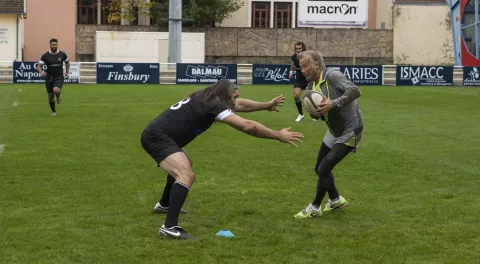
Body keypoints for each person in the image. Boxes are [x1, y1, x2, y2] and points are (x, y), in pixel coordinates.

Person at [141, 80, 304, 239]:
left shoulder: (209, 96)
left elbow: (239, 104)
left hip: (162, 135)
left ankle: (164, 205)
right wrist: (277, 135)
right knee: (185, 174)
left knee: (184, 165)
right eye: (233, 97)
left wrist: (266, 105)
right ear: (225, 95)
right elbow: (248, 126)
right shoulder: (214, 104)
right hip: (158, 137)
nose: (235, 101)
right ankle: (169, 227)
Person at [293, 51, 363, 219]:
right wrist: (314, 113)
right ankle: (335, 199)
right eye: (301, 67)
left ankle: (315, 207)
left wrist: (334, 103)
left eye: (305, 66)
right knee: (319, 168)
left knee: (325, 167)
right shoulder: (310, 87)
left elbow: (355, 90)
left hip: (350, 129)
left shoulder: (332, 75)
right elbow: (317, 115)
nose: (302, 70)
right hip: (333, 131)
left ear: (316, 64)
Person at [37, 38, 70, 116]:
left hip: (59, 77)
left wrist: (67, 73)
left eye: (55, 45)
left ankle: (58, 95)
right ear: (50, 45)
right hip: (49, 78)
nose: (54, 46)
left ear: (57, 45)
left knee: (56, 90)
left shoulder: (62, 54)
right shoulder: (45, 55)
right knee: (50, 96)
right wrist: (41, 72)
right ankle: (53, 111)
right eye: (53, 45)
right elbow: (39, 66)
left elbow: (67, 63)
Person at [288, 41, 312, 122]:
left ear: (303, 48)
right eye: (296, 49)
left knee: (311, 97)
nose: (298, 50)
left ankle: (316, 114)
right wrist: (291, 72)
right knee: (296, 95)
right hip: (299, 79)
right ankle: (301, 114)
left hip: (308, 79)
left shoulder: (308, 56)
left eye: (300, 49)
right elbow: (293, 63)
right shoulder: (294, 56)